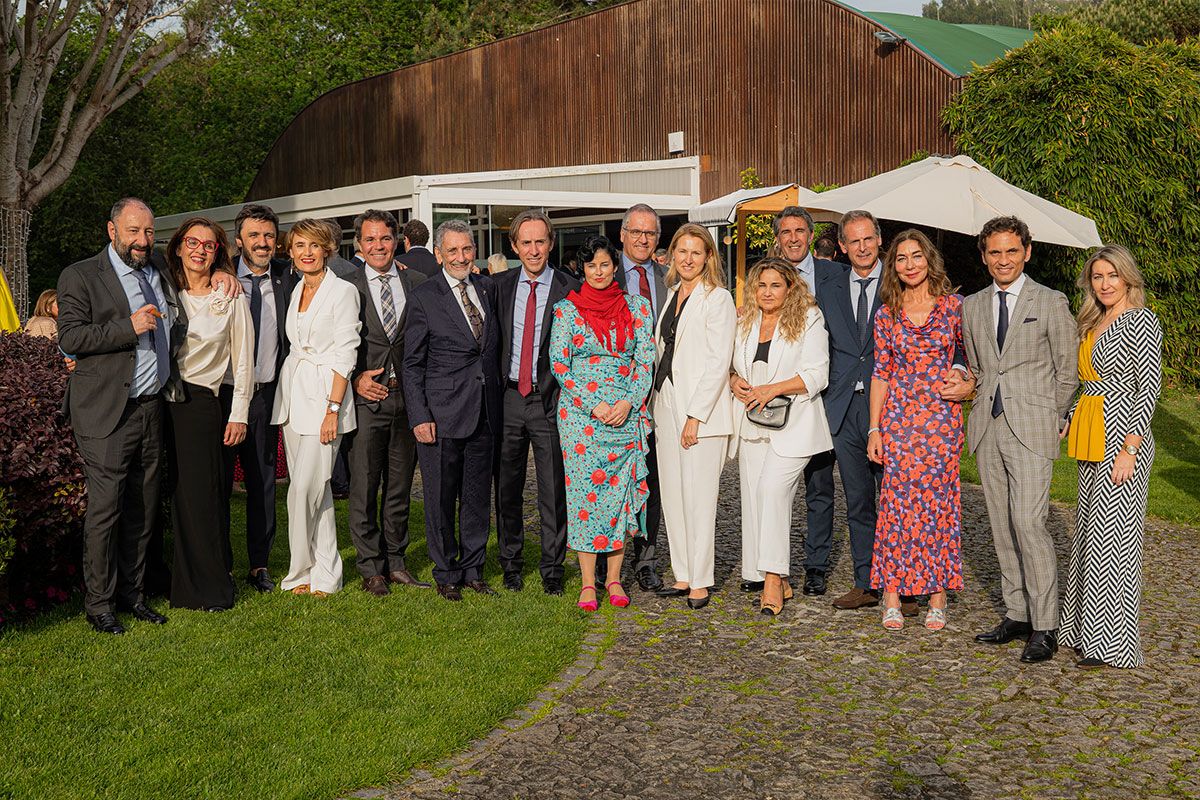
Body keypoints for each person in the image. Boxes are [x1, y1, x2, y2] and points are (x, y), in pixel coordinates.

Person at [57, 198, 239, 634]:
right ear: (112, 230)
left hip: (152, 407)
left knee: (144, 507)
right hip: (106, 413)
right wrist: (128, 326)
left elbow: (193, 267)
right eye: (133, 231)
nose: (142, 241)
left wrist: (221, 272)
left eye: (148, 233)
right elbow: (71, 335)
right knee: (106, 510)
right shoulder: (80, 275)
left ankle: (134, 595)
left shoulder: (157, 266)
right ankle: (100, 604)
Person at [957, 215, 1077, 663]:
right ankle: (1017, 613)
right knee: (1002, 526)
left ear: (1027, 252)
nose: (1003, 259)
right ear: (984, 256)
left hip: (1031, 429)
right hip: (987, 427)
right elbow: (980, 368)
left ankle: (1046, 626)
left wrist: (1055, 414)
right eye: (994, 252)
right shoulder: (971, 305)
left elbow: (1068, 372)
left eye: (1011, 250)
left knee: (1029, 524)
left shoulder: (1050, 301)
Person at [1059, 246, 1162, 669]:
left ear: (1128, 279)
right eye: (1097, 276)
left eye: (1112, 276)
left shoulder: (1141, 320)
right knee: (1090, 534)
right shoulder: (1092, 320)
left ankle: (1112, 645)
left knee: (1114, 543)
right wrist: (1067, 416)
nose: (1104, 284)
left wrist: (1131, 448)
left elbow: (1148, 388)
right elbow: (1087, 382)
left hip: (1123, 435)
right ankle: (1082, 632)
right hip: (1090, 430)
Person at [865, 230, 974, 631]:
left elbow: (969, 357)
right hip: (899, 420)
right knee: (896, 509)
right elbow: (881, 374)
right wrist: (874, 429)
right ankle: (892, 594)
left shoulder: (954, 308)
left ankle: (938, 595)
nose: (909, 265)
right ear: (893, 266)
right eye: (901, 258)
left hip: (942, 420)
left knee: (939, 508)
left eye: (916, 256)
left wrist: (965, 379)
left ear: (929, 260)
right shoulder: (886, 314)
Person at [550, 235, 655, 611]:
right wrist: (595, 406)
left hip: (626, 413)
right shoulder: (566, 311)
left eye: (605, 265)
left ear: (615, 266)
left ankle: (614, 579)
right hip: (582, 419)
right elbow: (559, 364)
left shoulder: (638, 308)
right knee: (583, 499)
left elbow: (645, 360)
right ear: (582, 268)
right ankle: (587, 584)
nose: (598, 272)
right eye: (591, 265)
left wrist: (628, 401)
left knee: (617, 499)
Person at [401, 219, 502, 601]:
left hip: (484, 412)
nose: (461, 257)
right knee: (440, 497)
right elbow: (412, 363)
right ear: (439, 253)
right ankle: (446, 571)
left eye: (467, 249)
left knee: (476, 496)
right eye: (453, 250)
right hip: (440, 415)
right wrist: (420, 415)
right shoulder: (425, 296)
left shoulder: (487, 288)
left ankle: (474, 568)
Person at [729, 258, 831, 616]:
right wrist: (733, 381)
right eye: (761, 285)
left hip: (796, 424)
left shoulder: (809, 319)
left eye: (775, 285)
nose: (767, 292)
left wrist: (772, 389)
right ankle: (773, 575)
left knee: (772, 489)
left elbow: (817, 374)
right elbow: (732, 364)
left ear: (790, 288)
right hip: (753, 422)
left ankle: (773, 577)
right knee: (756, 499)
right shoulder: (745, 321)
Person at [164, 217, 253, 611]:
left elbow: (244, 362)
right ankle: (169, 579)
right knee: (168, 496)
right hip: (157, 403)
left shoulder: (230, 297)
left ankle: (210, 587)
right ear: (179, 247)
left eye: (209, 245)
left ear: (219, 252)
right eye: (192, 242)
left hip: (202, 405)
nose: (200, 250)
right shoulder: (162, 290)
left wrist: (239, 414)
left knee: (201, 498)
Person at [271, 218, 361, 597]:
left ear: (327, 249)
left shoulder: (342, 291)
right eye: (299, 245)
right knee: (317, 491)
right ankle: (325, 574)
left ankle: (298, 571)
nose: (306, 252)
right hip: (294, 398)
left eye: (314, 245)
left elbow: (346, 353)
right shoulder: (296, 291)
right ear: (290, 251)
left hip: (326, 399)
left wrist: (332, 409)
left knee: (302, 490)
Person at [342, 210, 429, 596]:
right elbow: (333, 343)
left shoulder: (419, 282)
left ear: (397, 240)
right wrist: (353, 378)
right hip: (366, 400)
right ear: (359, 244)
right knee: (363, 486)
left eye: (385, 238)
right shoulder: (346, 285)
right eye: (370, 239)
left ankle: (396, 562)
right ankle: (370, 568)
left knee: (399, 487)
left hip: (407, 400)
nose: (378, 246)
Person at [494, 210, 580, 595]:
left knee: (552, 488)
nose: (533, 249)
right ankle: (511, 563)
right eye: (525, 242)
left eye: (540, 241)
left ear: (551, 243)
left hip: (550, 400)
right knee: (508, 486)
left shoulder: (570, 288)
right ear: (514, 246)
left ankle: (552, 569)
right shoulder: (499, 287)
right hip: (509, 397)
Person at [652, 223, 736, 610]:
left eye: (696, 252)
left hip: (700, 412)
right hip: (666, 402)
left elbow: (719, 363)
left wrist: (695, 416)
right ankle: (683, 572)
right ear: (672, 255)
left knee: (700, 496)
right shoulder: (671, 295)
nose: (687, 259)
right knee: (672, 493)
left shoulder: (718, 299)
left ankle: (701, 580)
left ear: (708, 258)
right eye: (681, 251)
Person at [809, 210, 888, 613]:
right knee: (858, 500)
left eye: (868, 239)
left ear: (879, 239)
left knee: (894, 499)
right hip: (841, 405)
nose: (862, 247)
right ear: (842, 246)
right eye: (853, 241)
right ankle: (866, 581)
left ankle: (901, 585)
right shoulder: (829, 285)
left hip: (890, 407)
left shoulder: (899, 280)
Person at [769, 206, 842, 597]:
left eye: (800, 231)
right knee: (773, 485)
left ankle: (815, 565)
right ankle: (771, 568)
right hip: (777, 398)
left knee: (819, 485)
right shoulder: (768, 277)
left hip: (823, 394)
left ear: (811, 236)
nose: (793, 237)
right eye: (786, 232)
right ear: (777, 237)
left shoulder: (836, 275)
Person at [222, 203, 294, 593]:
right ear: (239, 241)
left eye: (268, 236)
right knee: (218, 482)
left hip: (265, 397)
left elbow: (340, 271)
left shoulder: (288, 276)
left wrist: (405, 268)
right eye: (254, 236)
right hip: (223, 396)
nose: (262, 242)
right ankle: (222, 565)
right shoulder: (219, 277)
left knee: (263, 483)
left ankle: (259, 564)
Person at [612, 203, 668, 591]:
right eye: (636, 232)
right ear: (622, 234)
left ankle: (645, 559)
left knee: (652, 478)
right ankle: (605, 558)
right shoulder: (600, 272)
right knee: (611, 479)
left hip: (659, 394)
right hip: (613, 398)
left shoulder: (672, 278)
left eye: (650, 234)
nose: (643, 239)